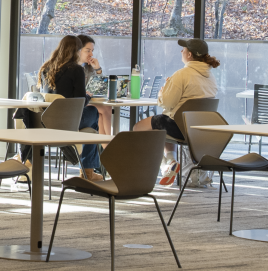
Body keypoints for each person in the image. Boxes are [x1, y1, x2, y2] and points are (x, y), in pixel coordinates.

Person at [132, 38, 219, 185]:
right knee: (160, 127)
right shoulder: (211, 76)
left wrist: (162, 92)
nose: (181, 51)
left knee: (138, 128)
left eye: (183, 49)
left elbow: (166, 102)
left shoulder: (182, 74)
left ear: (189, 55)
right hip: (199, 129)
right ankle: (171, 161)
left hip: (180, 126)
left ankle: (166, 165)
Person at [37, 35, 103, 181]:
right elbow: (79, 102)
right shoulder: (76, 69)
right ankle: (88, 171)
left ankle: (77, 156)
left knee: (90, 122)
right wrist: (88, 96)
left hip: (47, 122)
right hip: (68, 123)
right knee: (93, 113)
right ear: (77, 50)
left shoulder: (46, 68)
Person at [78, 35, 112, 135]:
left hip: (86, 101)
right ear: (78, 50)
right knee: (105, 109)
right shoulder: (73, 68)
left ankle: (107, 148)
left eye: (92, 50)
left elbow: (100, 88)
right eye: (88, 50)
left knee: (101, 114)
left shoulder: (86, 68)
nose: (91, 54)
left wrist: (97, 69)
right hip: (77, 104)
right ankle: (112, 143)